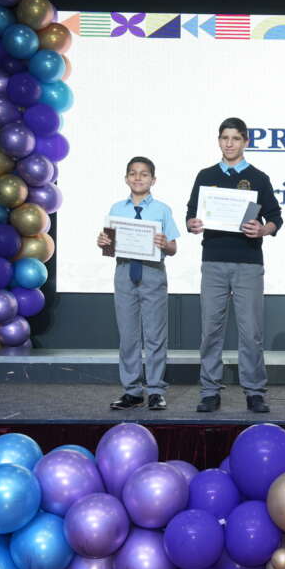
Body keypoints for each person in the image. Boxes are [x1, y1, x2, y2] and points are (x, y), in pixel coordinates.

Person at [185, 117, 283, 413]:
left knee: (251, 331)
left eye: (235, 138)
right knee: (210, 330)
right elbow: (191, 215)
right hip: (213, 261)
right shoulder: (205, 175)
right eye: (225, 138)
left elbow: (275, 217)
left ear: (245, 142)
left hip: (248, 262)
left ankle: (254, 391)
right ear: (219, 140)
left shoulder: (258, 178)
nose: (229, 144)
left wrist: (263, 229)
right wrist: (192, 224)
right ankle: (209, 391)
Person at [97, 156, 179, 411]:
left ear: (153, 180)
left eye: (144, 174)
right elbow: (110, 248)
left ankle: (155, 390)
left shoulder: (162, 210)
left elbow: (173, 248)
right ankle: (132, 391)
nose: (138, 178)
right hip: (124, 273)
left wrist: (164, 244)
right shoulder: (116, 209)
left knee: (155, 335)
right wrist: (103, 243)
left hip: (152, 273)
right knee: (128, 336)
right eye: (133, 173)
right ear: (126, 178)